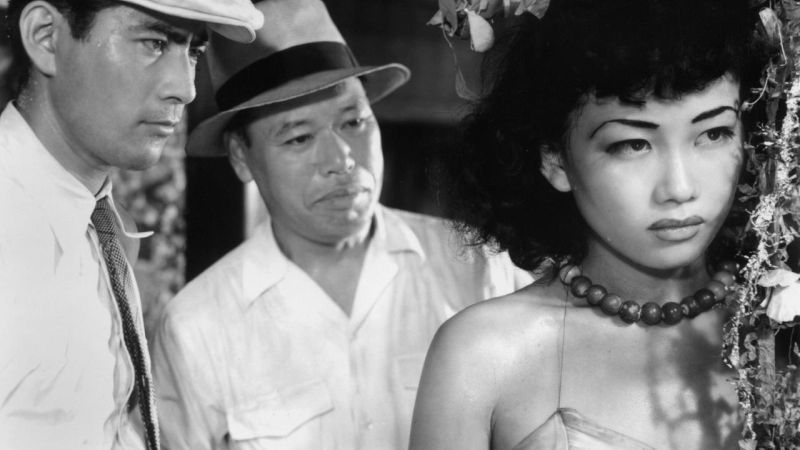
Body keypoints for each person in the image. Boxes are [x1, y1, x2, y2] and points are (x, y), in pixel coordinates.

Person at [150, 0, 532, 449]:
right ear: (241, 156)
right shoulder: (197, 326)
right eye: (299, 137)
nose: (341, 158)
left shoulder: (478, 267)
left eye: (354, 121)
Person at [408, 0, 764, 448]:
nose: (679, 187)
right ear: (554, 160)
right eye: (633, 144)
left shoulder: (777, 327)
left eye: (714, 134)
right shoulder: (484, 354)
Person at [0, 0, 263, 449]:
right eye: (153, 43)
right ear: (46, 37)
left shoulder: (106, 226)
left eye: (193, 51)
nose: (186, 89)